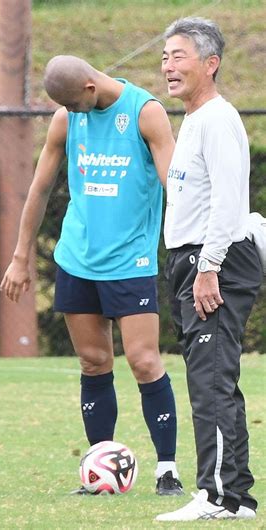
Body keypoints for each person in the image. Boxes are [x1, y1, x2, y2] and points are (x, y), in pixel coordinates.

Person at [1, 55, 183, 496]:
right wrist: (21, 256)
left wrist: (195, 252)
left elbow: (175, 186)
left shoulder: (146, 112)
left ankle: (167, 469)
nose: (74, 115)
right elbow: (40, 188)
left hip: (131, 262)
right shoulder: (67, 116)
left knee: (143, 361)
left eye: (75, 105)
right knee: (94, 361)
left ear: (89, 86)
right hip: (77, 261)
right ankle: (102, 465)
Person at [155, 17, 262, 522]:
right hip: (191, 259)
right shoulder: (194, 119)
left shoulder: (218, 119)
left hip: (210, 260)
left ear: (210, 64)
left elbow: (229, 202)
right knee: (215, 377)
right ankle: (236, 495)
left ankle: (216, 494)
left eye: (179, 56)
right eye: (164, 57)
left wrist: (208, 267)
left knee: (210, 380)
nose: (168, 66)